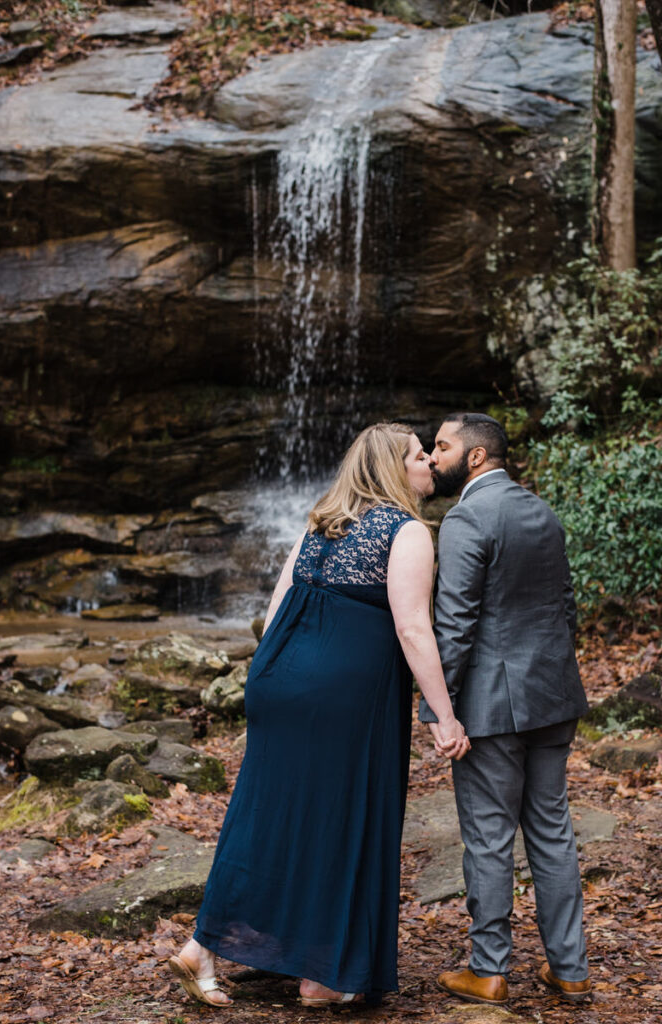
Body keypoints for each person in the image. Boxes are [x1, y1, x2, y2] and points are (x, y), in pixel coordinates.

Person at [169, 422, 470, 1008]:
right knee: (342, 820)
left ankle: (205, 947)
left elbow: (279, 602)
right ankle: (323, 975)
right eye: (416, 456)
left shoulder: (321, 521)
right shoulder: (406, 531)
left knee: (267, 815)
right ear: (390, 468)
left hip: (278, 680)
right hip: (342, 696)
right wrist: (445, 715)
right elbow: (412, 628)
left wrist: (268, 676)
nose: (428, 464)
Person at [420, 412, 592, 1006]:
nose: (431, 455)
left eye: (441, 447)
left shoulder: (467, 517)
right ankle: (570, 968)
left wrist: (439, 708)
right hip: (553, 697)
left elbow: (456, 624)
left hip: (491, 707)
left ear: (474, 457)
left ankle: (488, 969)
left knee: (490, 838)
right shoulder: (540, 511)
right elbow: (567, 608)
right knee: (552, 832)